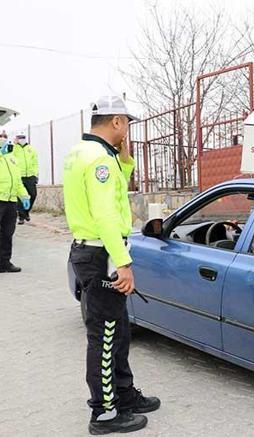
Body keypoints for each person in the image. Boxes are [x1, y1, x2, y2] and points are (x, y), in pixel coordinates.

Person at [63, 96, 159, 435]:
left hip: (93, 251)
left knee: (118, 330)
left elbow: (109, 195)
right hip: (101, 253)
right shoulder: (99, 160)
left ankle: (123, 394)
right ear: (116, 121)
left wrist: (127, 163)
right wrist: (123, 263)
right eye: (127, 123)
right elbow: (104, 213)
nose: (128, 129)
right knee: (104, 336)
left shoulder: (83, 152)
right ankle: (104, 413)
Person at [0, 126, 30, 280]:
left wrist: (24, 196)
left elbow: (17, 180)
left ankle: (4, 263)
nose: (3, 138)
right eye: (0, 135)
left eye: (5, 135)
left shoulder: (11, 156)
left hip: (10, 200)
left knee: (7, 233)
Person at [13, 132, 39, 224]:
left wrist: (35, 174)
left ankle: (26, 212)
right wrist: (14, 144)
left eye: (23, 137)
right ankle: (21, 216)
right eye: (19, 137)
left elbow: (35, 162)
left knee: (33, 194)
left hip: (30, 176)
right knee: (20, 197)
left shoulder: (31, 149)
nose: (22, 139)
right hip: (19, 176)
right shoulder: (14, 148)